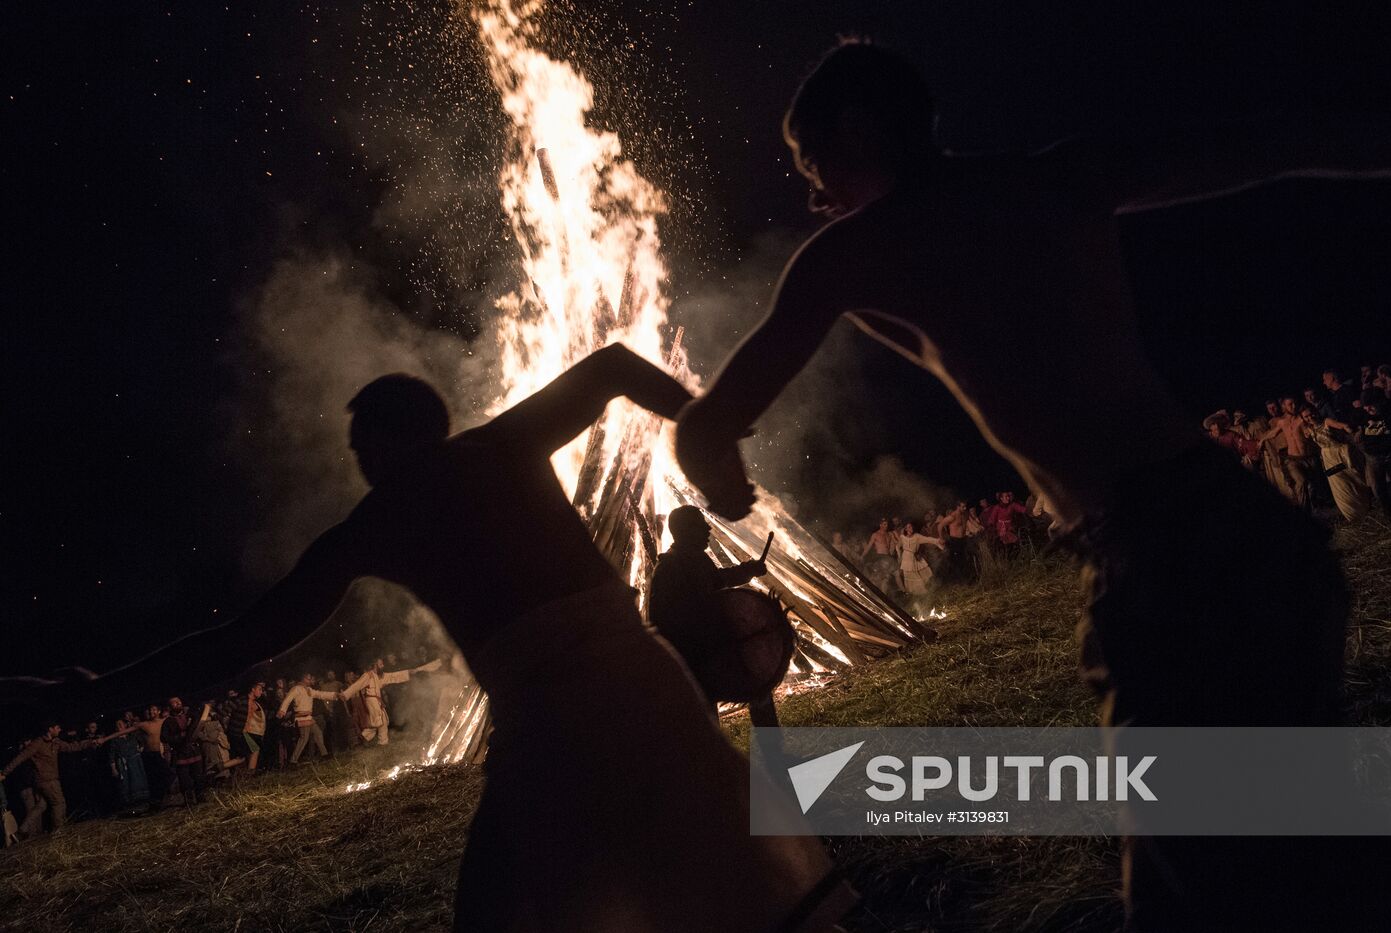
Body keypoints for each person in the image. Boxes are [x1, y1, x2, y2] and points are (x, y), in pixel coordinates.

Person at [671, 40, 1391, 931]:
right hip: (1251, 529)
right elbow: (1275, 142)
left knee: (1188, 877)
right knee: (1319, 846)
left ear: (860, 129)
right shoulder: (1061, 177)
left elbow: (706, 425)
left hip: (1160, 562)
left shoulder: (857, 251)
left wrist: (724, 482)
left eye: (813, 162)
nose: (814, 194)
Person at [5, 344, 852, 932]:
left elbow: (239, 641)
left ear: (395, 434)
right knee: (649, 876)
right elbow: (617, 368)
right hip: (622, 686)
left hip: (568, 713)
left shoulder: (394, 511)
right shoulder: (482, 458)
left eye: (362, 441)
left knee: (556, 897)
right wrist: (707, 435)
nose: (359, 459)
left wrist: (92, 693)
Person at [648, 506, 775, 730]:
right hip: (695, 656)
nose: (708, 528)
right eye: (700, 524)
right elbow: (685, 619)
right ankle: (770, 754)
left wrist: (749, 569)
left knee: (756, 685)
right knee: (753, 684)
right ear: (685, 530)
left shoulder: (690, 560)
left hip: (701, 651)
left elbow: (717, 580)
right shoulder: (675, 567)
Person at [0, 720, 124, 831]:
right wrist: (4, 773)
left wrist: (91, 743)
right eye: (57, 728)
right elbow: (20, 758)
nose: (60, 730)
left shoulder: (56, 742)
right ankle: (59, 832)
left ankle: (24, 827)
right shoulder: (37, 743)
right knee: (59, 804)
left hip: (46, 780)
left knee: (42, 805)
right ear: (50, 729)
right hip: (47, 780)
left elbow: (72, 747)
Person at [339, 657, 441, 747]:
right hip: (371, 701)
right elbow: (357, 685)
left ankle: (378, 741)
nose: (383, 665)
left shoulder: (380, 676)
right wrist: (346, 694)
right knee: (379, 721)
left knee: (383, 721)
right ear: (374, 665)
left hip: (377, 701)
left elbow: (394, 676)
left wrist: (409, 672)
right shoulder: (368, 675)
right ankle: (368, 737)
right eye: (380, 664)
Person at [1302, 408, 1371, 522]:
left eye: (1311, 414)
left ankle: (1365, 507)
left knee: (1354, 481)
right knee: (1340, 487)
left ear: (1316, 411)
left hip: (1339, 454)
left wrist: (1351, 430)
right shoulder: (1309, 429)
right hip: (1328, 458)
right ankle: (1353, 515)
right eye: (1306, 417)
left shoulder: (1326, 421)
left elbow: (1342, 425)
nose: (1310, 417)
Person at [1258, 397, 1319, 510]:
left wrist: (1309, 431)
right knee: (1301, 482)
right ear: (1284, 407)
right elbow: (1273, 433)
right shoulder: (1282, 422)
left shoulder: (1302, 419)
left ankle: (1315, 509)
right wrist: (1262, 440)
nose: (1294, 406)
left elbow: (1311, 427)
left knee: (1311, 485)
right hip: (1293, 459)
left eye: (1294, 403)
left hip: (1308, 457)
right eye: (1290, 404)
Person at [277, 672, 340, 763]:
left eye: (310, 678)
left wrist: (334, 695)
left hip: (309, 718)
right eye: (308, 678)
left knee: (318, 733)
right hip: (301, 718)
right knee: (304, 739)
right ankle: (293, 761)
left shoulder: (309, 690)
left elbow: (320, 694)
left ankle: (324, 754)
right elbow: (288, 699)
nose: (310, 680)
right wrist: (282, 710)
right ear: (303, 679)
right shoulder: (296, 689)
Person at [160, 696, 208, 805]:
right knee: (184, 779)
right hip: (180, 752)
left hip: (194, 750)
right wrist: (180, 737)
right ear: (169, 707)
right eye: (174, 702)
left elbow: (199, 724)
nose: (178, 703)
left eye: (178, 701)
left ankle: (200, 797)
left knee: (198, 776)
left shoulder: (190, 715)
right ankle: (189, 801)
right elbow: (164, 738)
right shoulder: (168, 722)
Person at [1359, 392, 1391, 517]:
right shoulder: (1367, 414)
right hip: (1373, 456)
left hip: (1390, 454)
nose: (1367, 409)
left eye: (1370, 406)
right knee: (1377, 488)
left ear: (1380, 402)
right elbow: (1363, 429)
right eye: (1365, 407)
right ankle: (1389, 513)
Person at [105, 712, 149, 810]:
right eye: (117, 725)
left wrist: (141, 747)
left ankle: (142, 802)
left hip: (136, 762)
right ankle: (130, 805)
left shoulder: (131, 735)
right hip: (125, 764)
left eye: (121, 724)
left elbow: (142, 741)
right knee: (127, 783)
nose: (119, 726)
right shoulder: (115, 740)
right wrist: (114, 769)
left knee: (139, 780)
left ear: (125, 725)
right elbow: (111, 756)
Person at [226, 682, 267, 773]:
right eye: (259, 689)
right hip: (237, 733)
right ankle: (250, 774)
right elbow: (225, 711)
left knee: (243, 756)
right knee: (254, 751)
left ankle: (219, 767)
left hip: (243, 733)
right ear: (253, 689)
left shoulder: (254, 702)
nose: (261, 692)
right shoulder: (242, 700)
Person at [894, 520, 940, 598]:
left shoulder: (916, 536)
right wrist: (899, 556)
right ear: (905, 529)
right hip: (906, 558)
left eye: (911, 526)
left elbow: (928, 539)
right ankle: (917, 594)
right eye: (908, 527)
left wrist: (937, 541)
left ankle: (922, 594)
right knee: (911, 576)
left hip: (912, 557)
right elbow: (897, 546)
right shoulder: (902, 537)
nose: (910, 528)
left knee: (920, 573)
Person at [859, 518, 898, 593]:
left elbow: (890, 547)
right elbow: (869, 546)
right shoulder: (875, 534)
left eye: (887, 524)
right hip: (879, 557)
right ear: (880, 525)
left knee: (886, 579)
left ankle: (884, 597)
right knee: (876, 577)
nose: (886, 526)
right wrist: (862, 556)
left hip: (887, 558)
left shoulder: (888, 535)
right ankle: (870, 593)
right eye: (884, 524)